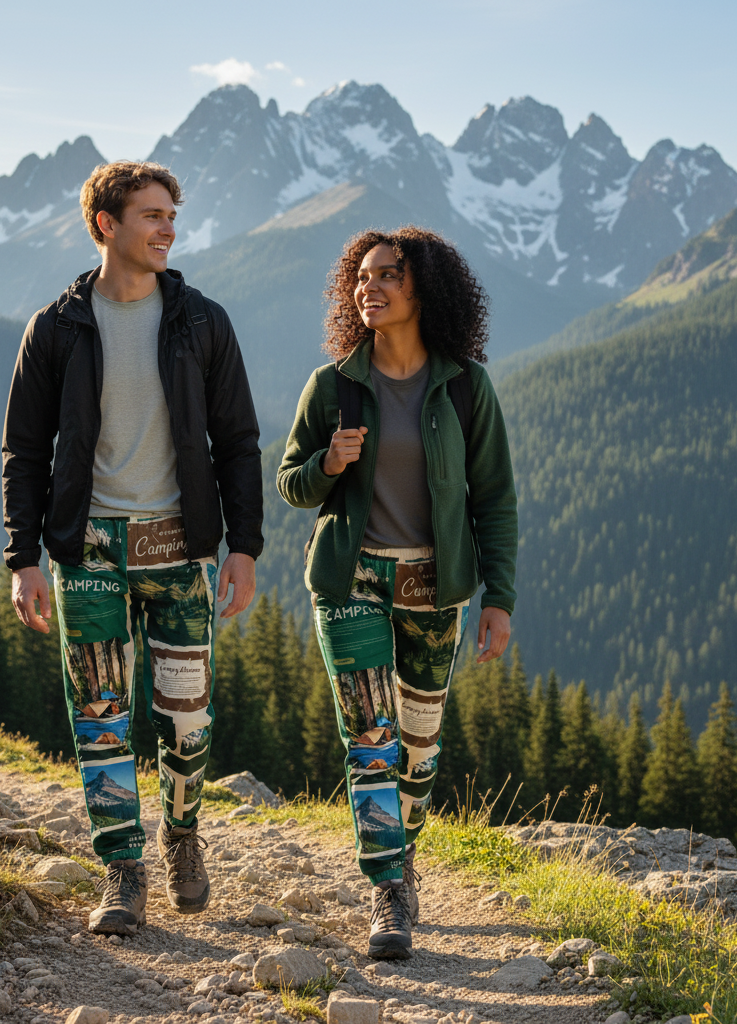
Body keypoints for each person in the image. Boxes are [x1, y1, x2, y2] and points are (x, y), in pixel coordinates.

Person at [2, 161, 262, 937]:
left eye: (171, 215)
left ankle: (181, 837)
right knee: (101, 717)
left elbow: (239, 441)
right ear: (106, 224)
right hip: (87, 555)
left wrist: (242, 547)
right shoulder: (57, 327)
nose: (167, 228)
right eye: (151, 215)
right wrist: (23, 559)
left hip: (180, 551)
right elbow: (23, 449)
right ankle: (122, 871)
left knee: (187, 720)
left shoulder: (201, 321)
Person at [277, 227, 517, 959]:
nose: (368, 287)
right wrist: (327, 463)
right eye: (360, 276)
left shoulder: (466, 385)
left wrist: (498, 598)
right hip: (351, 581)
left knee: (417, 747)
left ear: (424, 289)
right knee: (371, 740)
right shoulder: (333, 385)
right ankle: (387, 889)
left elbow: (495, 499)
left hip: (434, 587)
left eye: (387, 275)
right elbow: (290, 484)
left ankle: (402, 856)